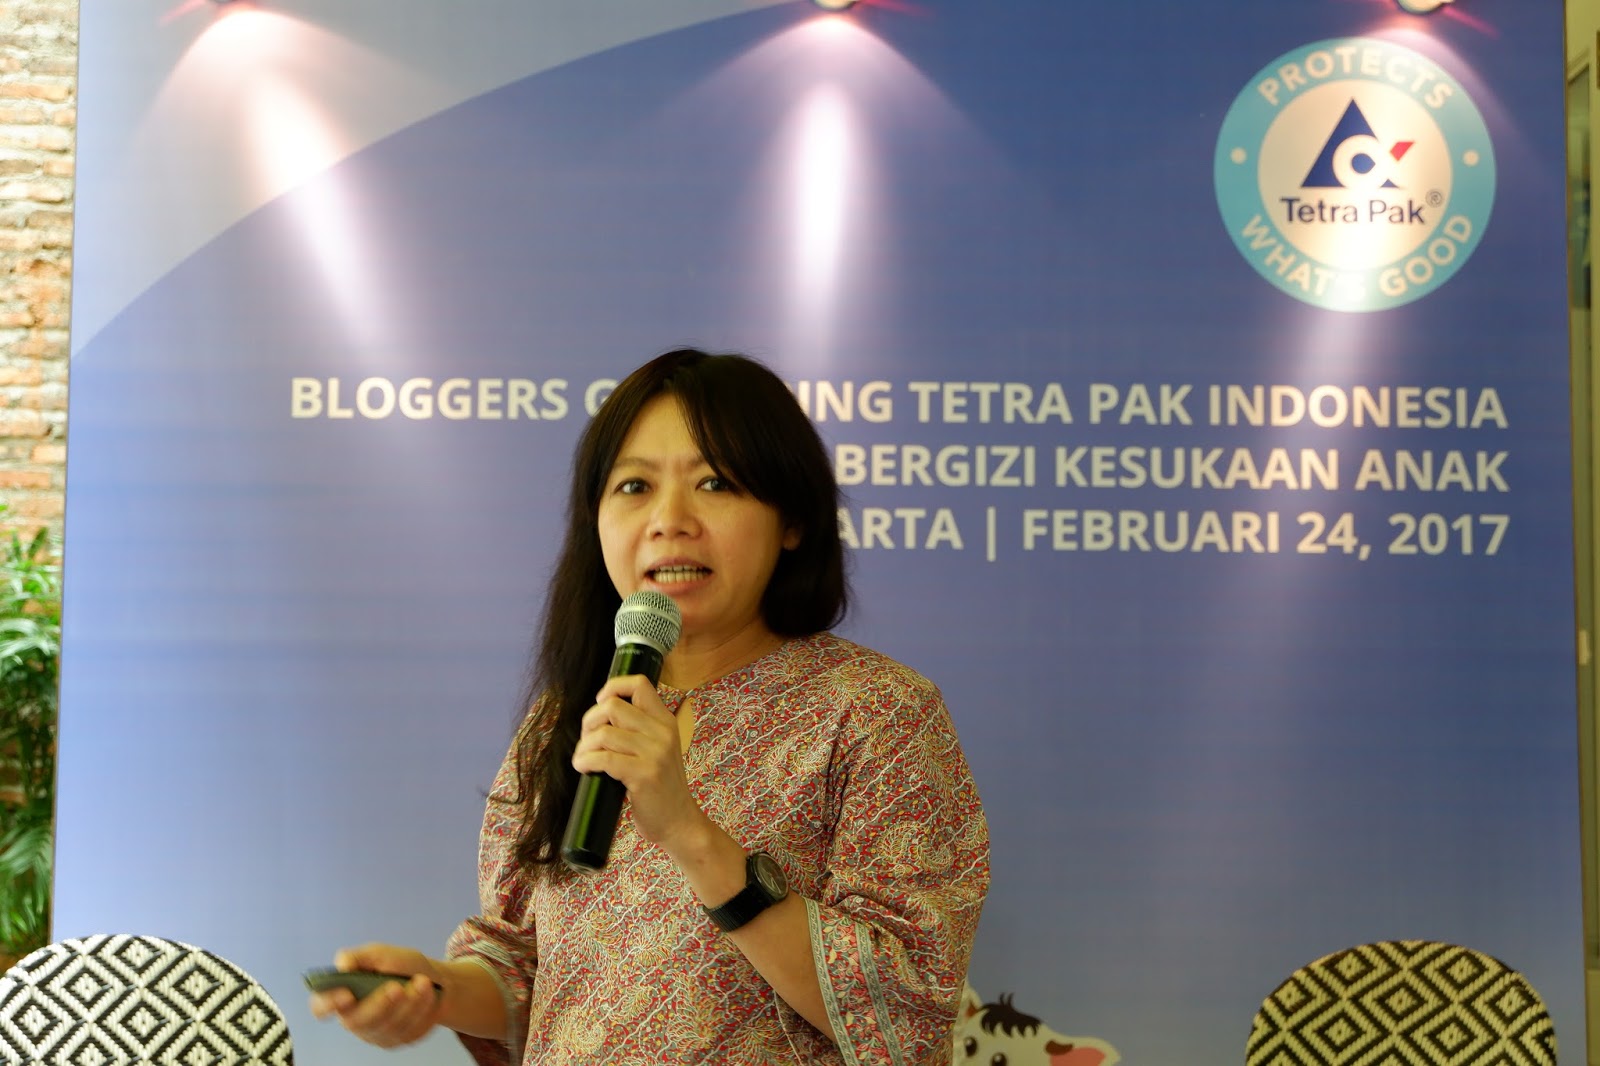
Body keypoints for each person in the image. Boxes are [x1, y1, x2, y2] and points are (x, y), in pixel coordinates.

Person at [310, 348, 990, 1065]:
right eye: (634, 485)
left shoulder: (879, 711)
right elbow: (529, 969)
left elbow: (903, 1012)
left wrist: (691, 835)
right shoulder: (565, 719)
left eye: (715, 483)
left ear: (791, 519)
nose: (669, 520)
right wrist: (433, 991)